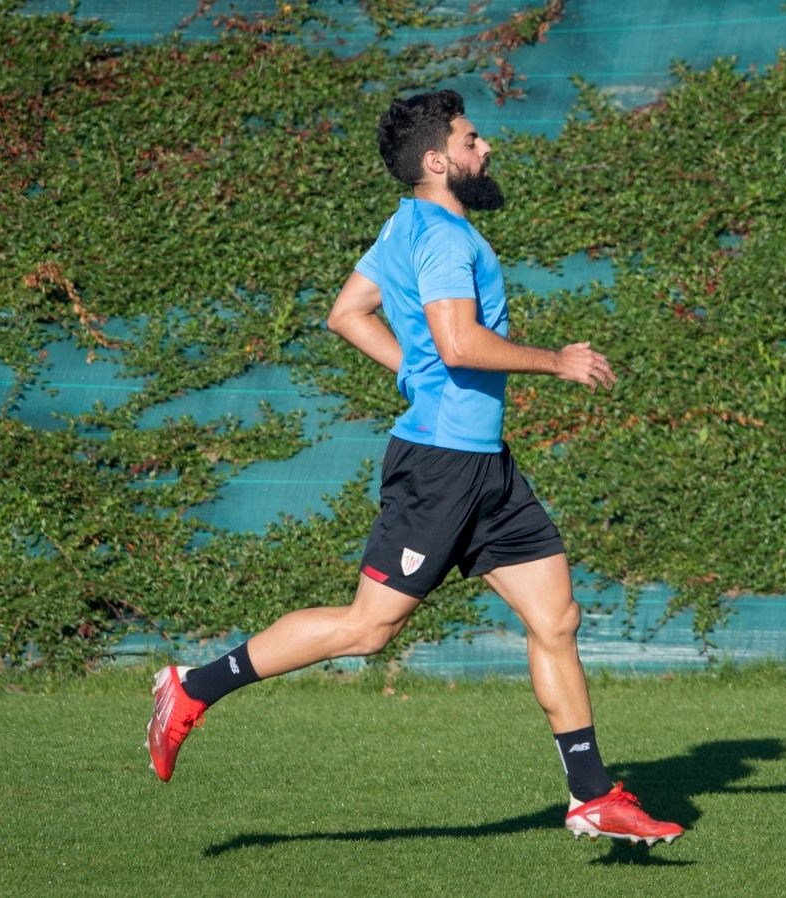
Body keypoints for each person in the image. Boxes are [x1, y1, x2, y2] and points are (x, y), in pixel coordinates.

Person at [146, 89, 682, 846]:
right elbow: (460, 344)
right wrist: (553, 360)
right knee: (369, 630)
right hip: (440, 465)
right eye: (471, 139)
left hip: (484, 464)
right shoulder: (445, 241)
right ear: (438, 161)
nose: (485, 146)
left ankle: (591, 795)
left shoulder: (408, 224)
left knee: (556, 616)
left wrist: (414, 373)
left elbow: (346, 314)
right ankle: (190, 689)